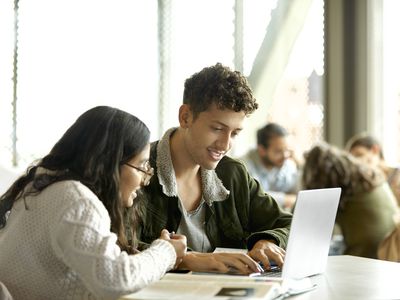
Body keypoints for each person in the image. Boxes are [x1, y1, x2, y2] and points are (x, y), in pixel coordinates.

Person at [0, 106, 187, 299]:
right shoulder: (76, 200)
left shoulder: (41, 185)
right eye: (141, 167)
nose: (143, 179)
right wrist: (167, 251)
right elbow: (115, 280)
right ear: (109, 163)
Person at [134, 63, 292, 275]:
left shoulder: (233, 174)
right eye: (217, 129)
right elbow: (119, 246)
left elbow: (289, 224)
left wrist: (268, 241)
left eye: (235, 133)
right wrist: (189, 260)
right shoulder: (137, 169)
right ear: (185, 117)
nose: (225, 144)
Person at [302, 142, 399, 259]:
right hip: (388, 248)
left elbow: (314, 231)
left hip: (366, 257)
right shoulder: (367, 176)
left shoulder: (339, 186)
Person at [239, 123, 299, 210]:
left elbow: (299, 192)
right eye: (278, 151)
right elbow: (252, 197)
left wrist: (300, 163)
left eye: (287, 149)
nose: (285, 156)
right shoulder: (243, 166)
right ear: (262, 150)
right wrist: (286, 199)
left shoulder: (286, 164)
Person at [346, 133, 400, 206]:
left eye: (359, 155)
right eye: (353, 159)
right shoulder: (367, 182)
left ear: (375, 150)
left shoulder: (397, 175)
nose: (357, 162)